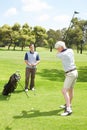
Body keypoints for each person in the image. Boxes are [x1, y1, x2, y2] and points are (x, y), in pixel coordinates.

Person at [55, 41, 78, 116]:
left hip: (70, 74)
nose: (57, 50)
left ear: (61, 47)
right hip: (75, 72)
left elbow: (57, 55)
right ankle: (69, 104)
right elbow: (63, 51)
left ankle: (68, 109)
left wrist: (59, 52)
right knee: (71, 90)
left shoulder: (61, 54)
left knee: (64, 91)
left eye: (58, 48)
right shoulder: (71, 50)